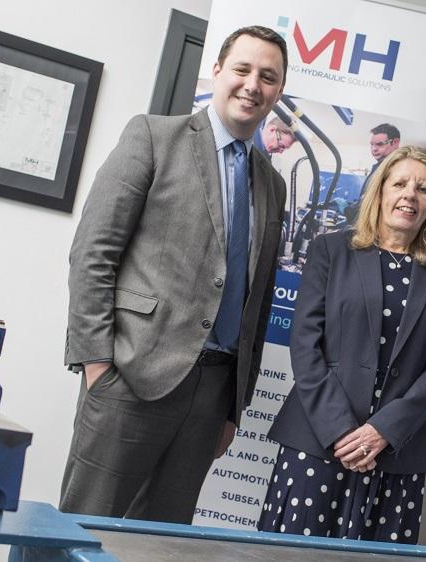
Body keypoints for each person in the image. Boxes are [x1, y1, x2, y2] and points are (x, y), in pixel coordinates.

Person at [60, 25, 288, 523]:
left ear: (279, 91)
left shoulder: (272, 185)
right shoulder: (153, 137)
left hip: (212, 395)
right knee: (80, 531)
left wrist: (234, 407)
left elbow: (260, 298)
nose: (253, 84)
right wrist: (97, 364)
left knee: (159, 543)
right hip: (132, 376)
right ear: (218, 71)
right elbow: (93, 253)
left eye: (268, 77)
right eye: (243, 69)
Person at [259, 146, 426, 543]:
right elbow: (305, 344)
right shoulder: (331, 250)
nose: (410, 194)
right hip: (319, 441)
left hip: (397, 452)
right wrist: (341, 431)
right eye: (400, 183)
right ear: (381, 191)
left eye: (423, 189)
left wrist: (383, 431)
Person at [345, 123, 401, 224]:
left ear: (395, 142)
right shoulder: (379, 167)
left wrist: (349, 211)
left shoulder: (396, 169)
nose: (374, 149)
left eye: (379, 144)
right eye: (372, 144)